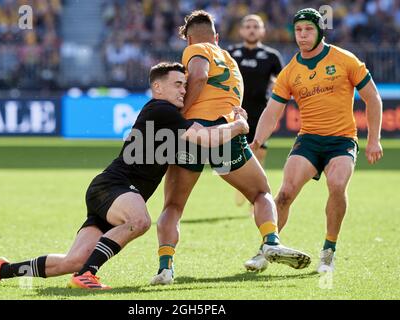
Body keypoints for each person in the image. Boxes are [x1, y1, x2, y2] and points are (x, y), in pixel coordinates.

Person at [0, 62, 250, 289]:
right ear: (157, 86)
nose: (183, 90)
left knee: (71, 261)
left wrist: (226, 121)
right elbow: (206, 138)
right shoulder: (161, 108)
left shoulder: (167, 117)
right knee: (139, 221)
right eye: (177, 84)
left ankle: (2, 270)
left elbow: (198, 137)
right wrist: (238, 126)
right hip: (115, 187)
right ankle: (88, 274)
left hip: (107, 191)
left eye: (185, 85)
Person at [151, 10, 310, 286]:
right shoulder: (230, 60)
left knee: (174, 205)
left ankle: (166, 267)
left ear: (188, 38)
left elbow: (198, 76)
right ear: (217, 36)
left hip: (194, 133)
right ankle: (271, 240)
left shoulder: (195, 50)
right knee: (261, 192)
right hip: (227, 134)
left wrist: (182, 115)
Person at [249, 8, 383, 274]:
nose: (302, 35)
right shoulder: (290, 72)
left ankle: (328, 251)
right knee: (285, 194)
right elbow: (272, 112)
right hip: (308, 140)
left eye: (308, 29)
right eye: (298, 30)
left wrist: (374, 140)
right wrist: (257, 141)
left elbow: (373, 99)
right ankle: (266, 248)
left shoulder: (344, 59)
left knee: (336, 185)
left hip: (342, 140)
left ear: (320, 30)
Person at [227, 14, 284, 206]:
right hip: (235, 111)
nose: (251, 29)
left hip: (261, 111)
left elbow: (282, 82)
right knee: (235, 152)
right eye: (248, 26)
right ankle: (241, 187)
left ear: (262, 31)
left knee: (258, 152)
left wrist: (276, 85)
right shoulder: (231, 53)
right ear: (241, 30)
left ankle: (256, 195)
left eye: (256, 26)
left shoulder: (271, 56)